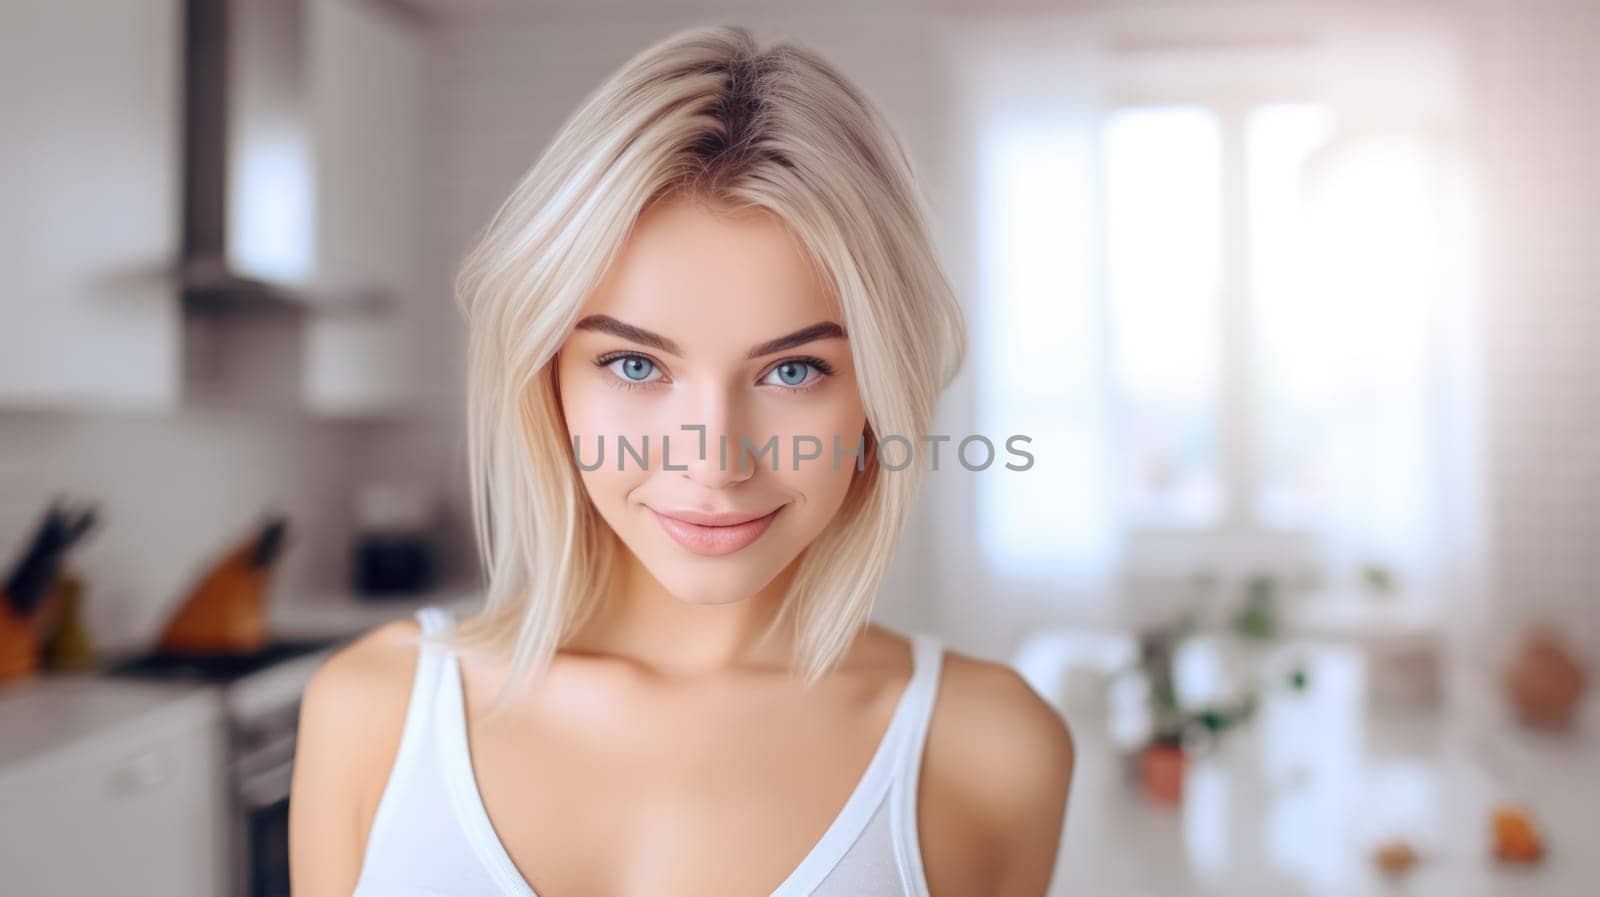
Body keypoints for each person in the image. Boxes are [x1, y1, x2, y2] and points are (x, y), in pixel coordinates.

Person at [288, 23, 1073, 897]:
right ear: (547, 376)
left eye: (792, 369)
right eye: (635, 365)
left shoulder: (991, 748)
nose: (714, 460)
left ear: (878, 393)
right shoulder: (372, 709)